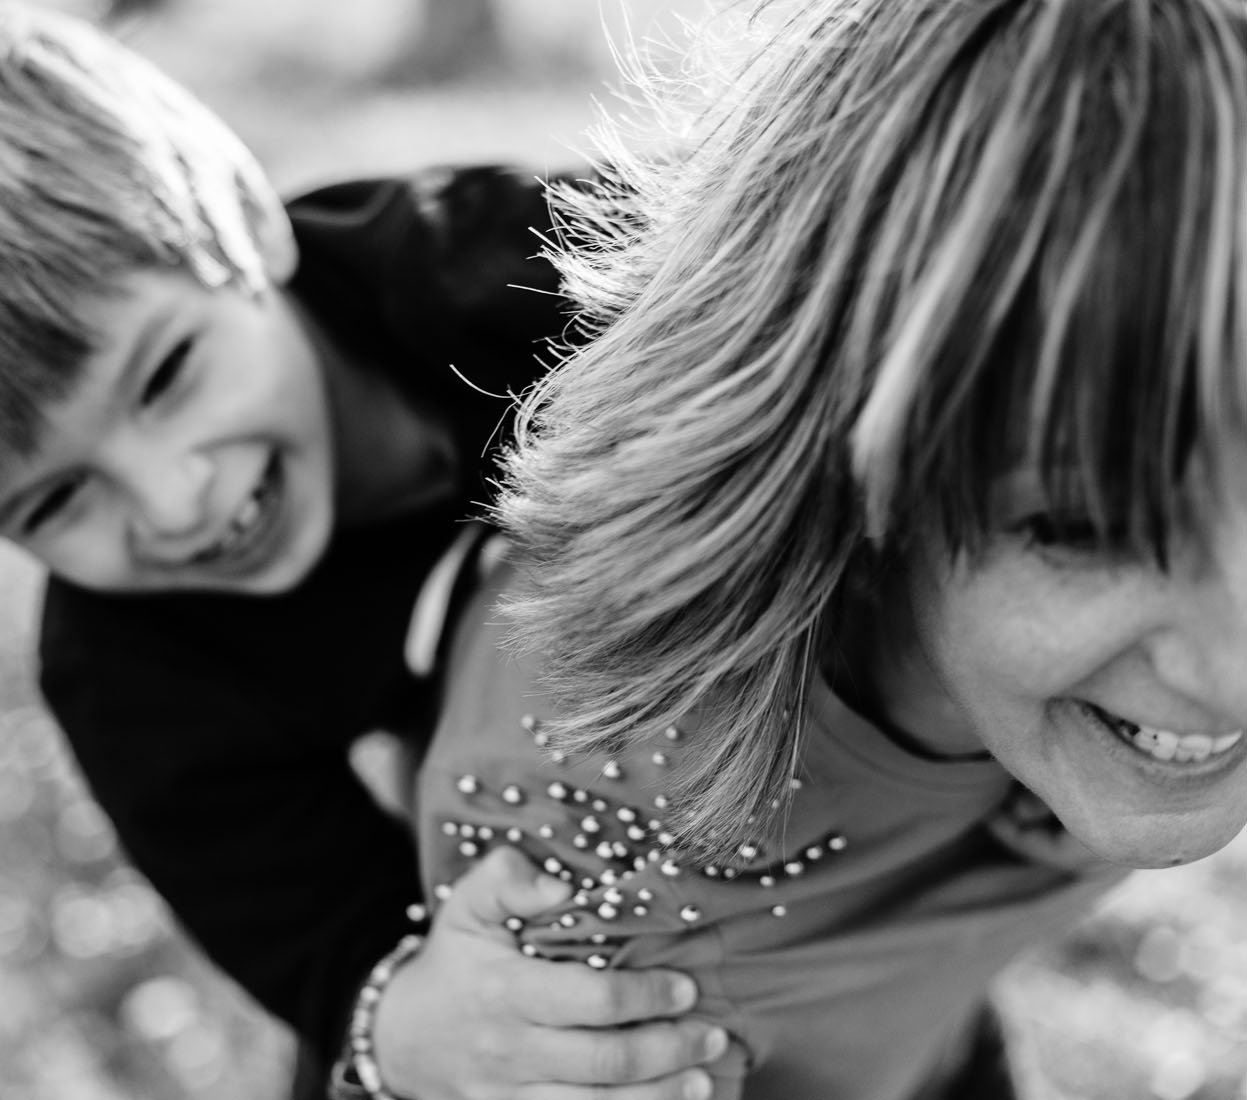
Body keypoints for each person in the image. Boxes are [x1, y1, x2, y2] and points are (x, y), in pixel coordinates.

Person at [0, 5, 730, 1099]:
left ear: (247, 224)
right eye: (56, 498)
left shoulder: (527, 265)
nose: (176, 498)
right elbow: (344, 963)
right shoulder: (133, 675)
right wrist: (421, 1022)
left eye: (166, 374)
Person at [413, 0, 1247, 1097]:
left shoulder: (1105, 688)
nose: (1232, 662)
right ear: (843, 469)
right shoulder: (593, 829)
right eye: (1080, 531)